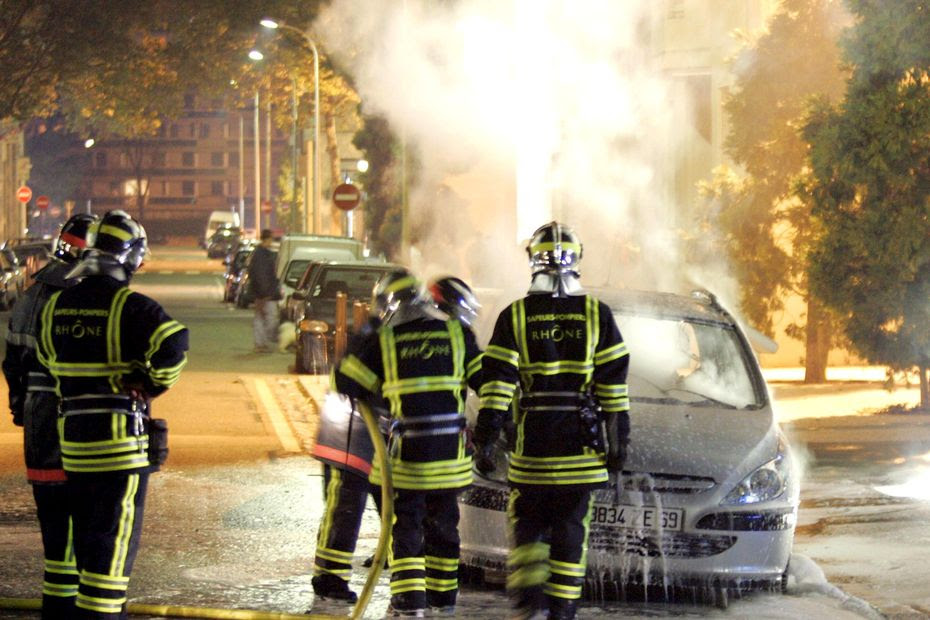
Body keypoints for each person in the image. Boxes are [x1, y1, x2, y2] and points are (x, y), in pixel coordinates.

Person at [35, 210, 189, 620]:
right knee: (111, 557)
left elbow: (48, 360)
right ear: (129, 258)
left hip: (74, 448)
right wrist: (151, 381)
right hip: (119, 450)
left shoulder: (56, 306)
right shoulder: (130, 306)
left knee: (85, 548)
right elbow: (175, 341)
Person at [472, 221, 630, 620]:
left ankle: (529, 601)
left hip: (534, 454)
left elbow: (498, 387)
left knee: (528, 527)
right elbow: (614, 388)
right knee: (570, 536)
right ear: (577, 260)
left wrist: (487, 439)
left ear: (532, 261)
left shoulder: (516, 315)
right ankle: (562, 612)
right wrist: (619, 443)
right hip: (581, 453)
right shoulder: (597, 314)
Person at [334, 269, 482, 618]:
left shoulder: (384, 341)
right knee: (445, 527)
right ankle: (443, 602)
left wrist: (366, 330)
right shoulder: (456, 332)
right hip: (450, 459)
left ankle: (409, 603)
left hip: (408, 460)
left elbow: (347, 382)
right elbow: (488, 378)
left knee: (407, 531)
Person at [2, 213, 98, 619]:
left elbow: (13, 362)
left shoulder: (32, 293)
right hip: (81, 418)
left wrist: (20, 405)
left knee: (54, 522)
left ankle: (57, 605)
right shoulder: (91, 293)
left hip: (39, 421)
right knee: (94, 517)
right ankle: (93, 604)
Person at [309, 297, 388, 604]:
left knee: (388, 501)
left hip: (369, 436)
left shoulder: (378, 333)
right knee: (345, 506)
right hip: (348, 434)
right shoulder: (373, 338)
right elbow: (351, 379)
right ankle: (329, 577)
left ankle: (392, 555)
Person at [247, 228, 280, 353]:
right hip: (264, 293)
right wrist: (264, 293)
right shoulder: (261, 254)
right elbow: (261, 275)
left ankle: (261, 342)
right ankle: (261, 343)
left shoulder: (261, 253)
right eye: (271, 238)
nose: (272, 241)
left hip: (263, 292)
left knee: (261, 317)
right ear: (267, 239)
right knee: (268, 318)